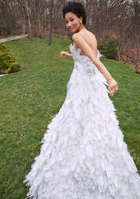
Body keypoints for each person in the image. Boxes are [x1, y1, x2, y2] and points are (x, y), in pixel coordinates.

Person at [24, 2, 140, 199]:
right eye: (66, 21)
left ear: (80, 18)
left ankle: (79, 164)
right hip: (91, 83)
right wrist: (70, 54)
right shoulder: (91, 35)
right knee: (95, 121)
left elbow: (95, 59)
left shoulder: (77, 36)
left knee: (76, 119)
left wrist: (110, 78)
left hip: (83, 85)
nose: (69, 24)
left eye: (72, 19)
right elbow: (86, 56)